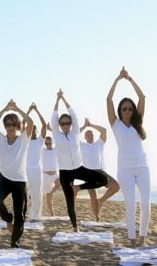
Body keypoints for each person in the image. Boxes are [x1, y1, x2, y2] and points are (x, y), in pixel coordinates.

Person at [51, 89, 108, 232]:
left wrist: (63, 98)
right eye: (62, 123)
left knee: (102, 179)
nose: (65, 125)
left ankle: (79, 187)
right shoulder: (56, 134)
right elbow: (54, 117)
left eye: (67, 123)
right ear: (59, 125)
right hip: (65, 172)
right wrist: (57, 100)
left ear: (71, 124)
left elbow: (73, 114)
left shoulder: (75, 132)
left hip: (78, 168)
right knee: (70, 201)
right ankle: (75, 227)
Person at [107, 66, 150, 248]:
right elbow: (108, 99)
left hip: (142, 168)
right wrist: (117, 79)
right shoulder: (115, 124)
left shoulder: (137, 123)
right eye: (124, 109)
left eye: (129, 109)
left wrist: (130, 79)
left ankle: (142, 237)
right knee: (130, 205)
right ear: (120, 111)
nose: (127, 111)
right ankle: (132, 240)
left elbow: (142, 98)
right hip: (124, 170)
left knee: (146, 205)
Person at [0, 99, 33, 248]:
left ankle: (15, 242)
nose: (11, 127)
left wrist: (17, 109)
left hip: (20, 181)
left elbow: (31, 123)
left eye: (14, 124)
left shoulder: (23, 139)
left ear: (18, 126)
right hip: (4, 178)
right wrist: (5, 109)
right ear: (5, 126)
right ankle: (8, 219)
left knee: (20, 215)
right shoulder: (0, 138)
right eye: (8, 124)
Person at [80, 118, 120, 221]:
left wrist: (91, 124)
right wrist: (84, 126)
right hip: (88, 173)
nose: (90, 136)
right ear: (85, 137)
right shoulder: (82, 145)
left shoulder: (99, 144)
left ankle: (101, 200)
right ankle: (97, 218)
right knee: (93, 196)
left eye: (92, 135)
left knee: (116, 186)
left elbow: (104, 131)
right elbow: (74, 135)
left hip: (101, 172)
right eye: (88, 135)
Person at [25, 103, 46, 220]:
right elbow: (22, 124)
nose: (32, 131)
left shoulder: (40, 141)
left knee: (38, 192)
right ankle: (31, 213)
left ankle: (37, 214)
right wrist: (28, 111)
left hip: (37, 169)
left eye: (34, 129)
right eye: (30, 129)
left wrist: (37, 111)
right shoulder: (25, 140)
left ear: (36, 131)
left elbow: (44, 126)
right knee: (30, 193)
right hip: (27, 169)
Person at [42, 126, 61, 217]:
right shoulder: (42, 151)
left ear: (52, 143)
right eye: (46, 143)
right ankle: (52, 213)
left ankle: (52, 191)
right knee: (49, 197)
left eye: (50, 143)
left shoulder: (56, 150)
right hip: (45, 176)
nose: (48, 145)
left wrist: (50, 129)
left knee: (59, 183)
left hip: (54, 175)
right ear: (45, 143)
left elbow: (59, 138)